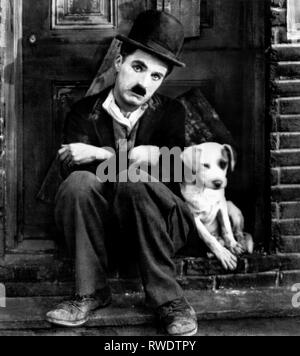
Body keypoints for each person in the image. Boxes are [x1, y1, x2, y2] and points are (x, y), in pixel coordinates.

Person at [46, 10, 242, 336]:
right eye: (139, 67)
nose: (144, 83)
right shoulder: (84, 112)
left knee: (133, 182)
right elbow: (77, 171)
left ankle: (169, 301)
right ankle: (90, 292)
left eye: (156, 76)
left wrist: (102, 155)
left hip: (162, 226)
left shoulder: (170, 112)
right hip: (105, 232)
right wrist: (129, 159)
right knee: (79, 183)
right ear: (119, 62)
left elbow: (172, 176)